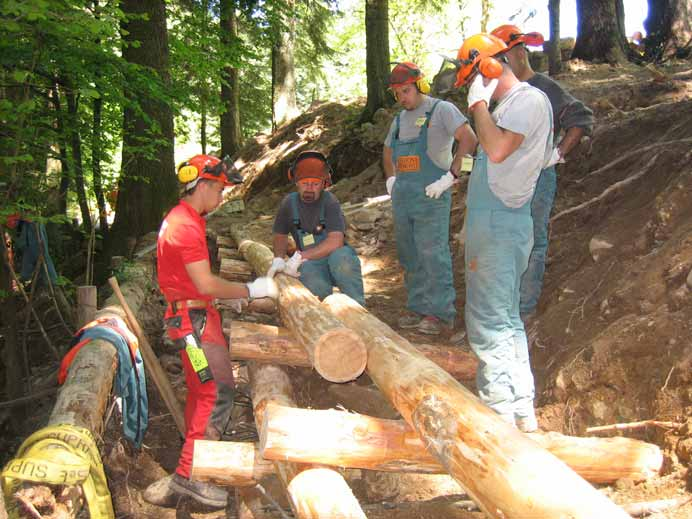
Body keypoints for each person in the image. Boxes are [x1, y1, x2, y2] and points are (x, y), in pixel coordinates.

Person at [144, 154, 278, 509]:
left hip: (192, 316)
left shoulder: (182, 219)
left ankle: (194, 463)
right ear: (202, 185)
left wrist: (223, 299)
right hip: (193, 324)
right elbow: (204, 281)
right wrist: (252, 290)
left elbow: (195, 283)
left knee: (201, 391)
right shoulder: (185, 226)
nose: (221, 198)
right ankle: (191, 477)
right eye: (219, 190)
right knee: (215, 392)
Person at [454, 33, 553, 431]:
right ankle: (520, 409)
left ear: (490, 66)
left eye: (475, 76)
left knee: (487, 321)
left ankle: (498, 417)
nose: (475, 89)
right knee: (506, 319)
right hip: (496, 222)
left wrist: (478, 105)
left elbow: (496, 151)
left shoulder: (526, 101)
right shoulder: (513, 106)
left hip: (498, 223)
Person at [491, 25, 595, 322]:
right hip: (506, 179)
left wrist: (558, 153)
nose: (500, 64)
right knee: (505, 242)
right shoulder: (501, 95)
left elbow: (581, 117)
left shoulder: (544, 88)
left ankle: (523, 311)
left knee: (532, 241)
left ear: (520, 52)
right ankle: (505, 308)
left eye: (504, 55)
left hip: (537, 178)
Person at [383, 61, 478, 335]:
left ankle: (439, 313)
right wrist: (390, 179)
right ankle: (418, 306)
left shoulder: (441, 110)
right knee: (409, 254)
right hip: (404, 196)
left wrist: (451, 176)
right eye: (397, 94)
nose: (402, 98)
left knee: (432, 253)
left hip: (432, 193)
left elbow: (469, 139)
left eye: (406, 91)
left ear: (419, 85)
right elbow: (388, 151)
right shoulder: (399, 120)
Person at [268, 150, 365, 306]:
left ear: (323, 184)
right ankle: (322, 315)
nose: (310, 188)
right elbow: (280, 234)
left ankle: (358, 308)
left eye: (315, 184)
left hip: (335, 258)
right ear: (297, 183)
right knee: (313, 285)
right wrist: (278, 258)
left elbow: (335, 241)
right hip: (311, 263)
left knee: (344, 260)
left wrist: (300, 257)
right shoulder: (289, 203)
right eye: (305, 183)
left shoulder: (330, 201)